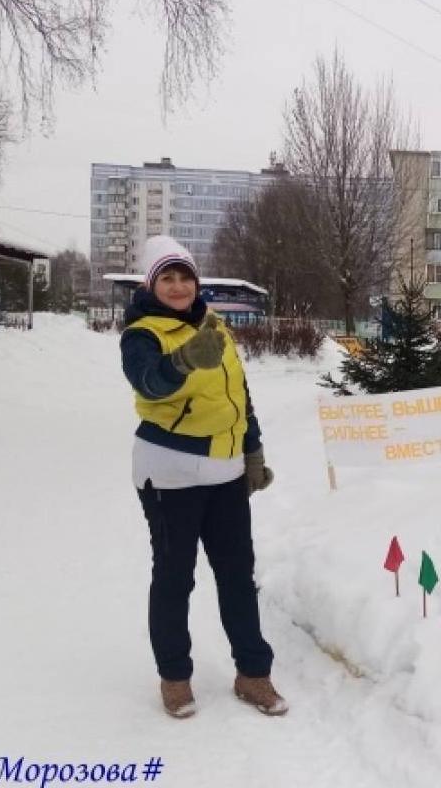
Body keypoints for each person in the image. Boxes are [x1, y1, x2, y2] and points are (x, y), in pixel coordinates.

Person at [119, 235, 286, 719]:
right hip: (168, 474)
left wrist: (252, 448)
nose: (177, 286)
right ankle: (174, 677)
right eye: (166, 278)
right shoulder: (142, 334)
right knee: (175, 578)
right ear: (152, 285)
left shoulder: (215, 326)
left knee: (237, 575)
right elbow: (147, 380)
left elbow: (239, 393)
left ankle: (253, 673)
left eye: (184, 276)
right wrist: (185, 360)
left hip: (227, 471)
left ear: (196, 282)